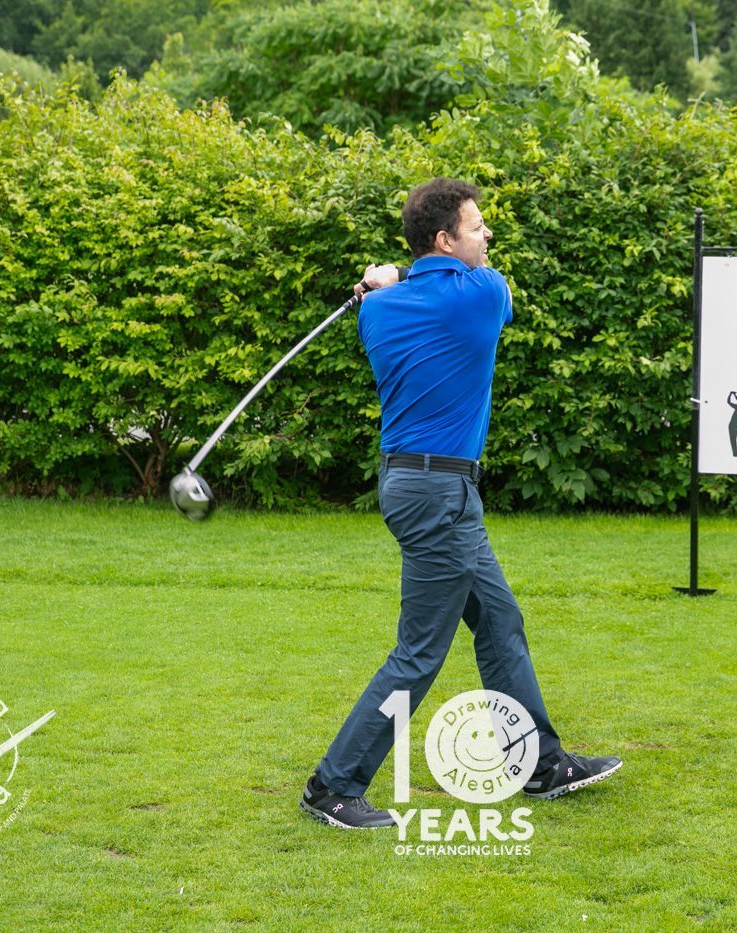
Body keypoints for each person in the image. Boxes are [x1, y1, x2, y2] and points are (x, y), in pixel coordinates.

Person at [300, 178, 622, 829]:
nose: (488, 234)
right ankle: (332, 785)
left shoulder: (374, 311)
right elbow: (488, 294)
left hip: (416, 485)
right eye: (477, 226)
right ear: (446, 239)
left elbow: (404, 288)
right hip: (440, 495)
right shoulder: (484, 293)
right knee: (419, 652)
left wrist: (383, 279)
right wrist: (393, 277)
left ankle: (540, 763)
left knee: (500, 621)